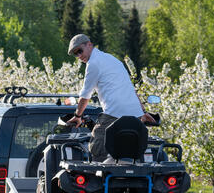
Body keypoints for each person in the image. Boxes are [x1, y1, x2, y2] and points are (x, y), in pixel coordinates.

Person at [66, 33, 156, 161]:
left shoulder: (93, 64)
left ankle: (102, 178)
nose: (79, 56)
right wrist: (143, 112)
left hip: (114, 114)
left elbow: (85, 95)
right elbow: (131, 89)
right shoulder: (113, 60)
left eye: (80, 51)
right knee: (133, 147)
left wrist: (78, 116)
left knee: (97, 147)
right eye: (76, 54)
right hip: (135, 116)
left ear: (89, 44)